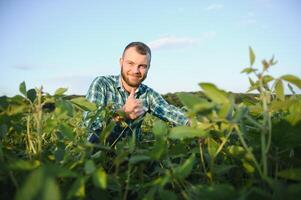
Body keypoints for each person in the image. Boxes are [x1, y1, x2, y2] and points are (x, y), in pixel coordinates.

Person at [84, 41, 189, 145]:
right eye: (130, 63)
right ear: (121, 62)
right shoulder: (103, 84)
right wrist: (122, 114)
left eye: (142, 66)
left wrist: (197, 125)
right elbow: (91, 128)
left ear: (148, 68)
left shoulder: (147, 94)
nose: (135, 71)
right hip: (100, 156)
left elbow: (170, 112)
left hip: (131, 157)